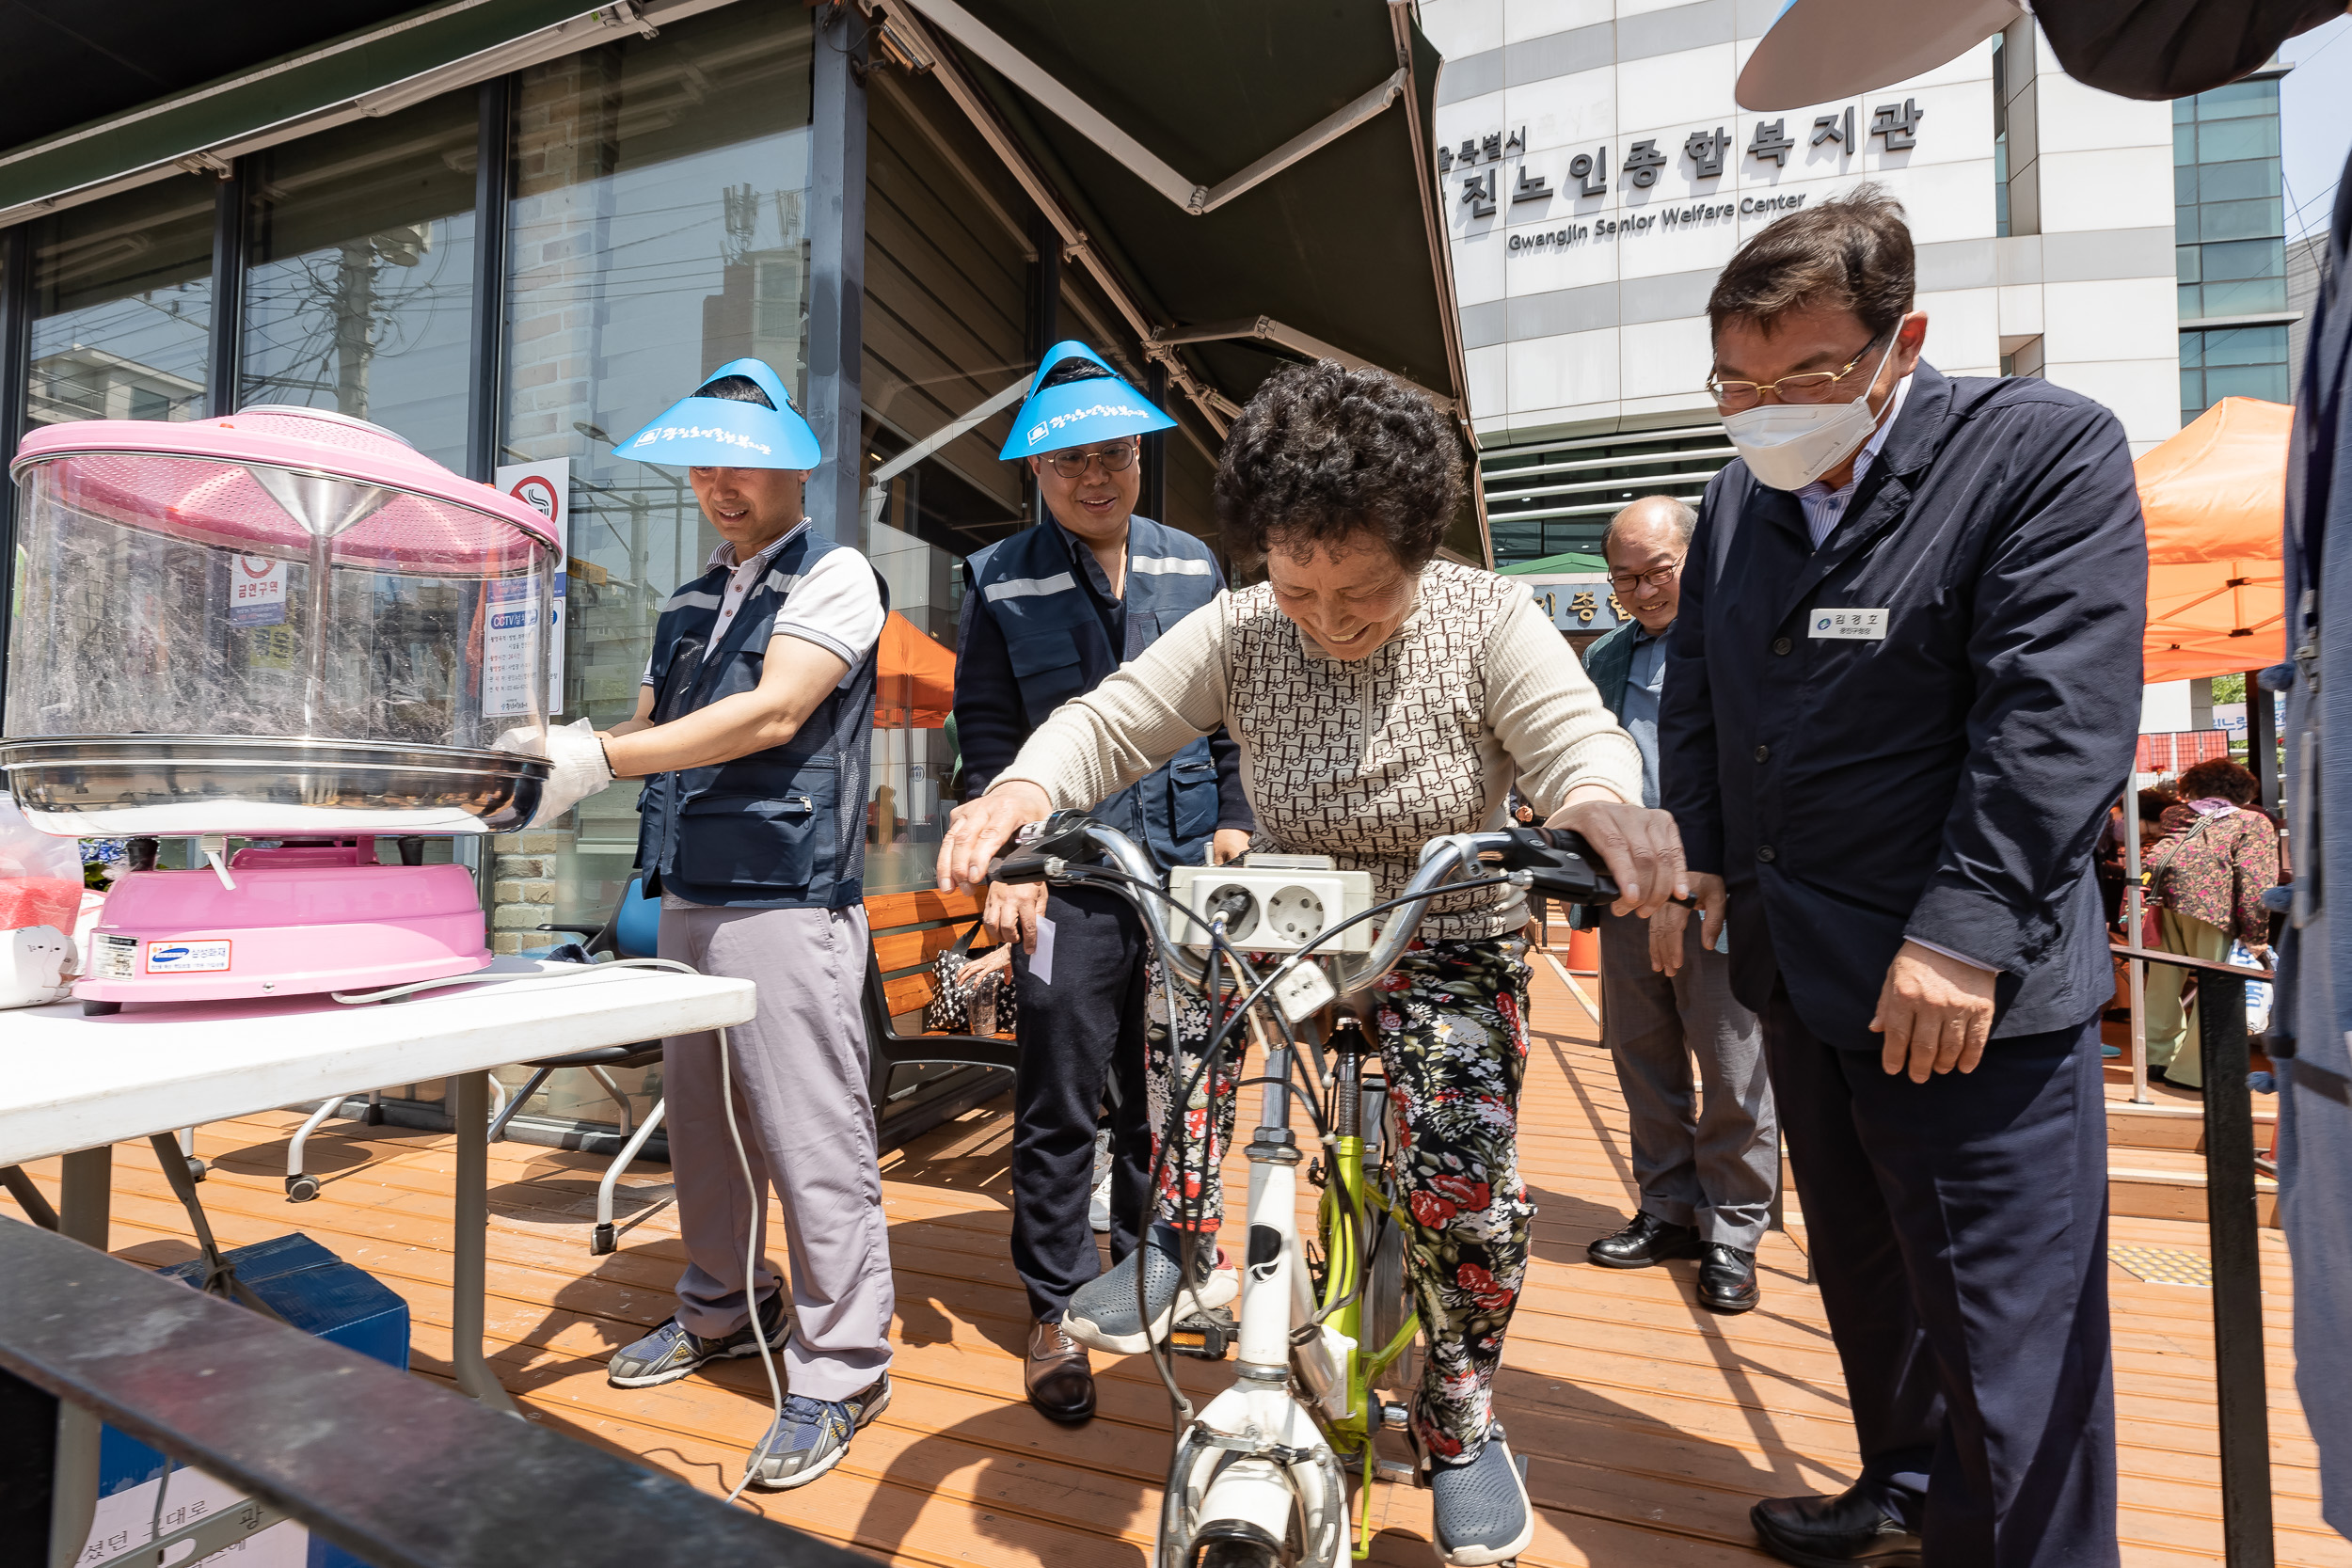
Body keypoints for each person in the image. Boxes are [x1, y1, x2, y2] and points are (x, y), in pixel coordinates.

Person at [937, 359, 1686, 1566]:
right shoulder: (1236, 626)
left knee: (1465, 1183)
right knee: (1187, 981)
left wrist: (1602, 804)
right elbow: (1113, 717)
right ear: (1267, 553)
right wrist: (1024, 785)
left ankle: (1457, 1414)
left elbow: (1575, 739)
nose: (1331, 623)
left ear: (1420, 553)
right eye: (1300, 589)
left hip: (1444, 926)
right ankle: (1181, 1242)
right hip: (1295, 911)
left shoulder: (1487, 616)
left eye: (1365, 597)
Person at [1659, 188, 2145, 1566]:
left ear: (1900, 341)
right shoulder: (1739, 492)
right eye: (1736, 384)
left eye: (1804, 375)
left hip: (1962, 988)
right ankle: (1909, 1486)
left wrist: (1965, 932)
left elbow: (2051, 719)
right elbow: (1700, 686)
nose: (1767, 408)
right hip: (1802, 970)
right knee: (1874, 1282)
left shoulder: (2039, 454)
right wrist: (1698, 849)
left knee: (2012, 1337)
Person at [526, 358, 897, 1491]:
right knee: (703, 1126)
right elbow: (651, 721)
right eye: (701, 463)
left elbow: (774, 709)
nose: (718, 483)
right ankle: (723, 1305)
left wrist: (598, 758)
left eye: (741, 461)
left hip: (787, 898)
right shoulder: (689, 599)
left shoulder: (836, 576)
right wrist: (554, 742)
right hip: (686, 891)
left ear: (792, 462)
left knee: (810, 1134)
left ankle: (842, 1363)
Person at [953, 340, 1253, 1425]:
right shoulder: (995, 576)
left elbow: (1229, 716)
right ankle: (1053, 1304)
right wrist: (1012, 862)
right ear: (1035, 467)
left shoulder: (1192, 565)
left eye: (1116, 453)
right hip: (1066, 880)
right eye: (1072, 457)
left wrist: (1236, 818)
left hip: (1181, 877)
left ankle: (1148, 1271)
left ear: (1140, 457)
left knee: (1168, 1096)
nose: (1097, 475)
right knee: (1058, 1099)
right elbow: (987, 732)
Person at [1580, 496, 1777, 1313]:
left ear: (1695, 560)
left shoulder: (1742, 642)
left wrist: (1699, 871)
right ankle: (1666, 1207)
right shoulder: (1606, 657)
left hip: (1717, 889)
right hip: (1628, 891)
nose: (1643, 589)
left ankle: (1732, 1227)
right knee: (1643, 1057)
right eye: (1625, 577)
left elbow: (1757, 774)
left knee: (1735, 1067)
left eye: (1658, 569)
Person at [2142, 758, 2280, 1091]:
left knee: (2163, 982)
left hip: (2162, 903)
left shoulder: (2175, 815)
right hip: (2212, 908)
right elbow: (2255, 881)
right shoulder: (2253, 822)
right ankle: (2193, 1073)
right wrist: (2256, 933)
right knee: (2218, 986)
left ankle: (2158, 1059)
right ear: (2242, 790)